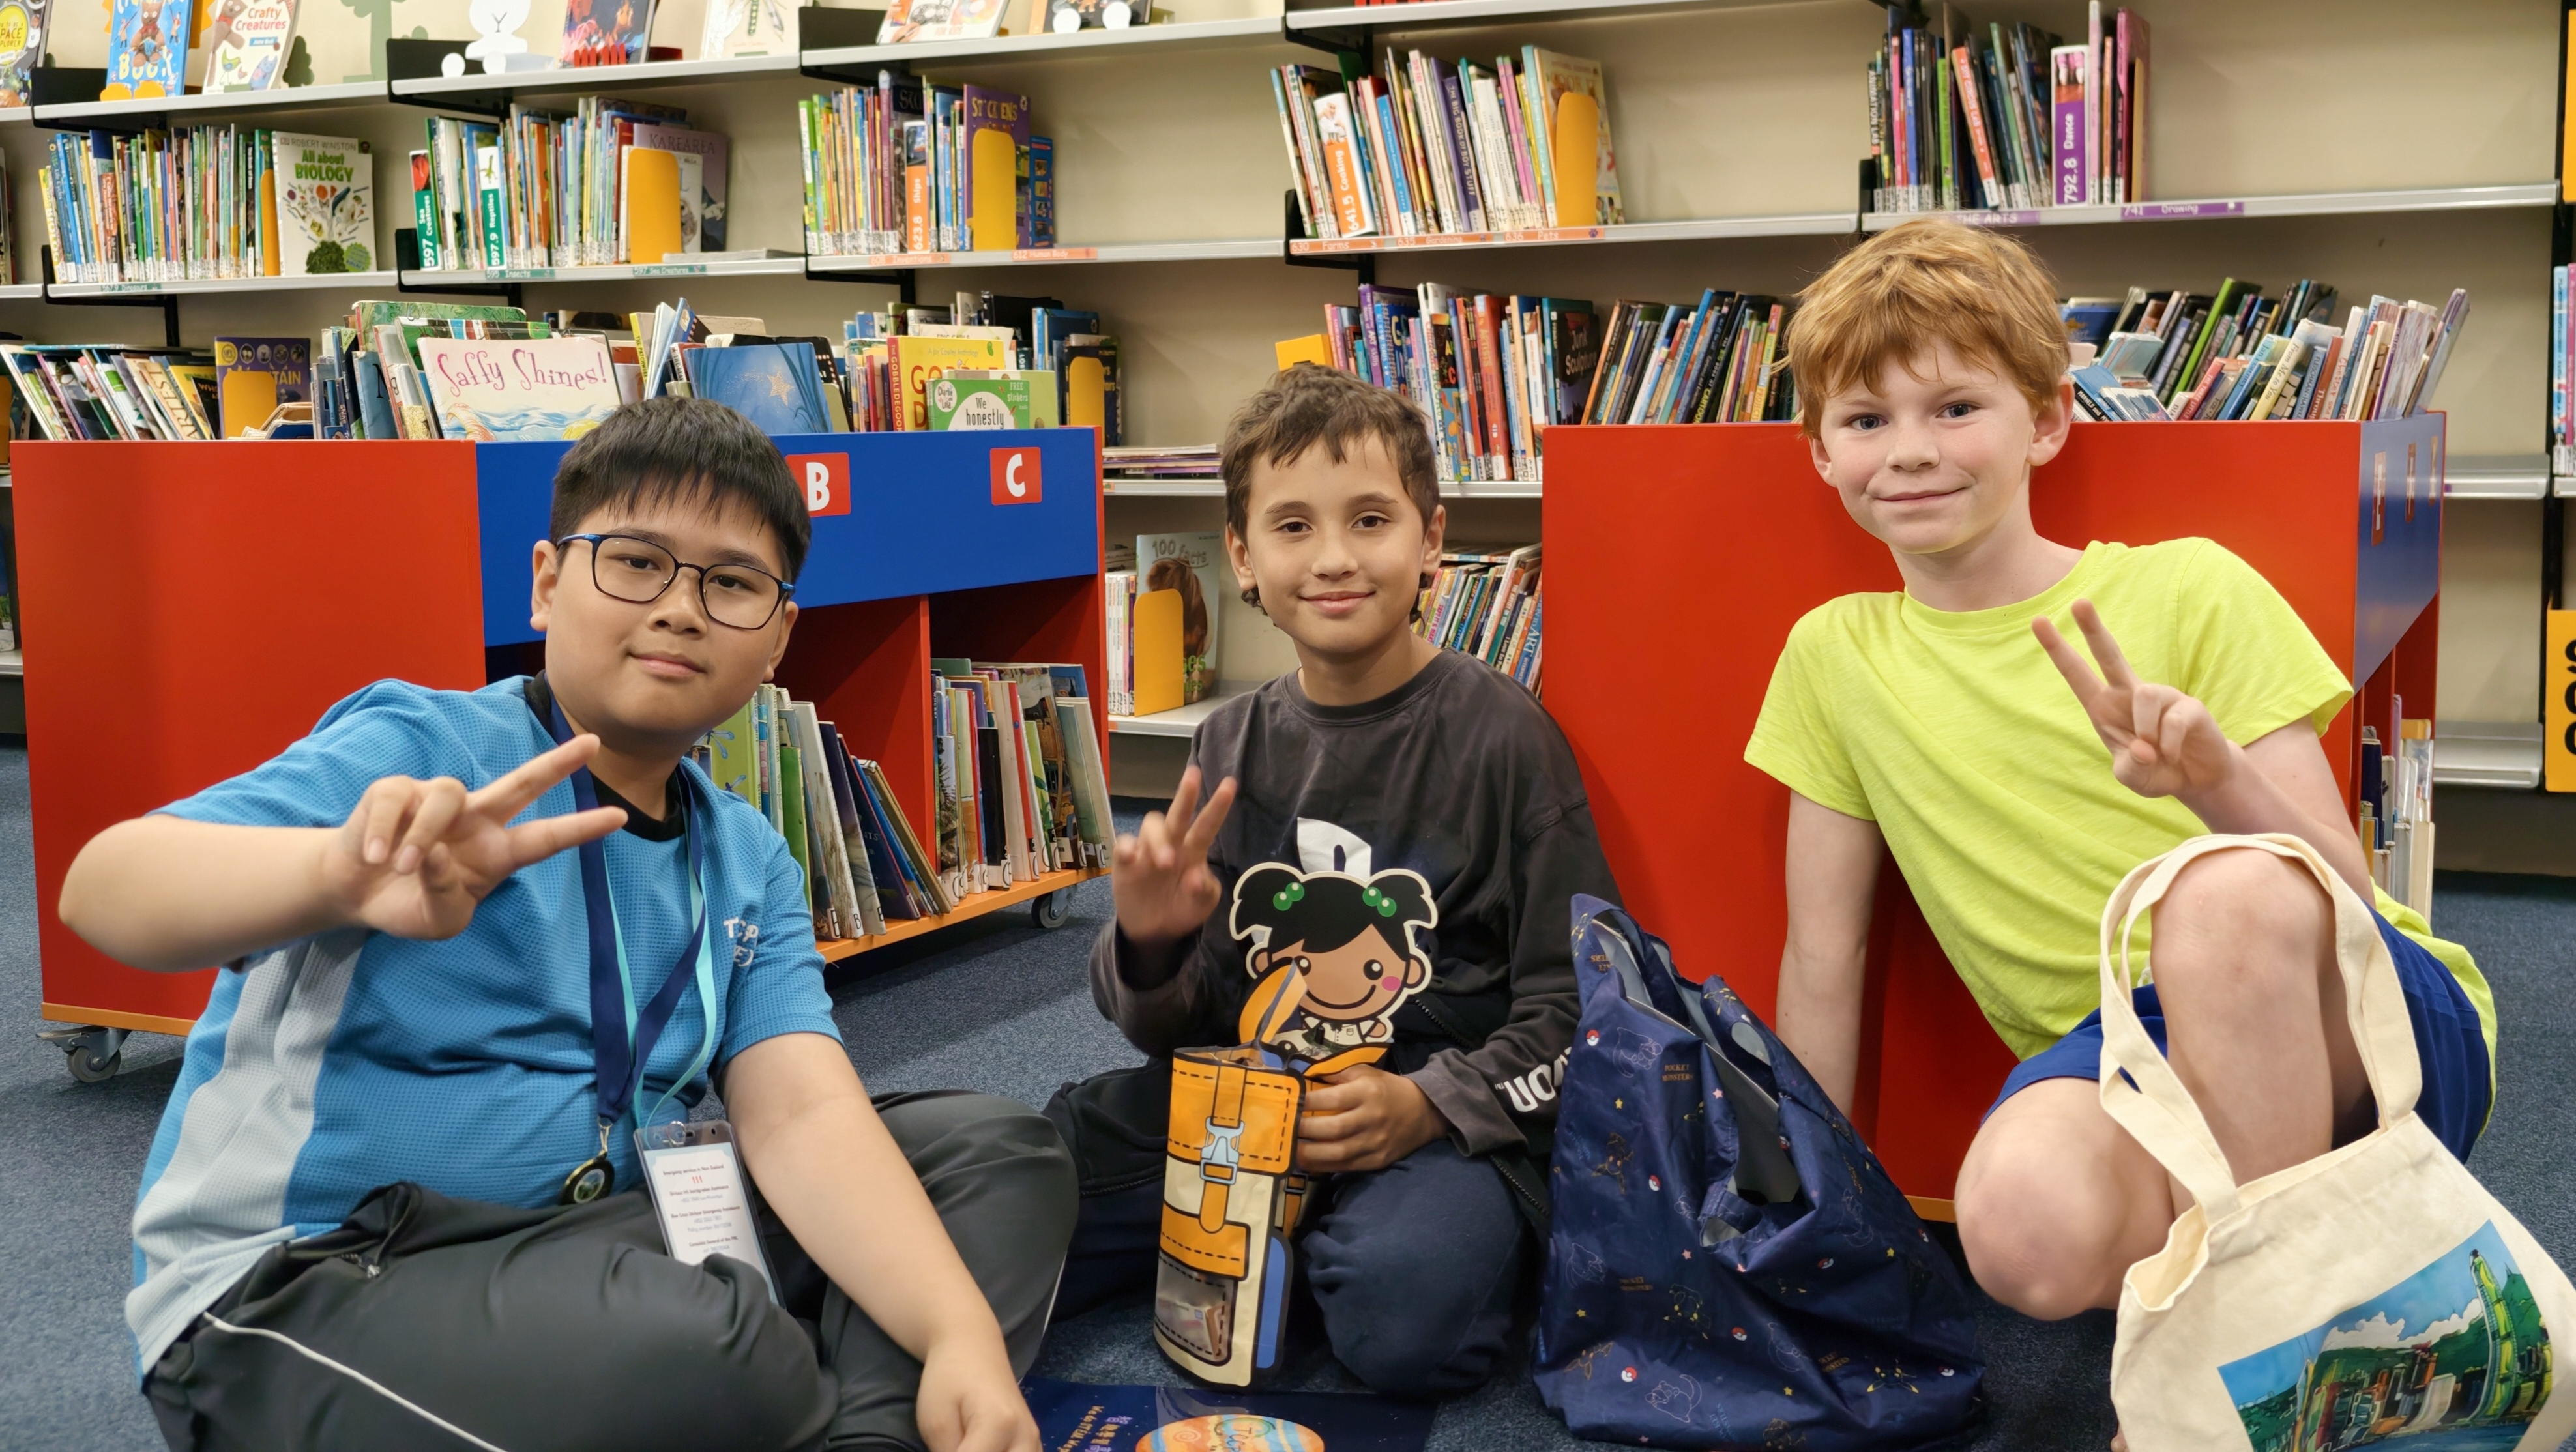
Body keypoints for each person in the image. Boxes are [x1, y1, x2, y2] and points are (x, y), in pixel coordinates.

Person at [63, 396, 1075, 1452]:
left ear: (779, 638)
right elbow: (108, 888)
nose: (680, 609)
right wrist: (338, 877)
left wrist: (957, 1332)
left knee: (996, 1155)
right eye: (636, 562)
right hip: (321, 1276)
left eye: (732, 584)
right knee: (721, 1354)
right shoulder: (426, 747)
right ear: (547, 583)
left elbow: (801, 1116)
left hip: (592, 1242)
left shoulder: (746, 856)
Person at [1749, 220, 2495, 1324]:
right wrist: (1807, 1207)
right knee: (2017, 1226)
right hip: (2130, 1055)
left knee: (2219, 894)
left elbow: (2342, 890)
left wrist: (2213, 782)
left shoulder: (2191, 587)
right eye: (1866, 420)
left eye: (1955, 408)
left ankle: (2258, 1354)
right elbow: (1825, 953)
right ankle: (2297, 1287)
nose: (1908, 451)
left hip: (2356, 1011)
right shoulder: (1833, 656)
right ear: (1820, 452)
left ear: (2048, 420)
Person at [1050, 363, 1622, 1396]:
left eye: (1369, 520)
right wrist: (1149, 942)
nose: (1334, 559)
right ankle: (1278, 1237)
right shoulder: (1230, 740)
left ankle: (1308, 1247)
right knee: (1031, 1177)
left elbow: (1575, 1006)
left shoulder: (1505, 737)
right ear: (1243, 556)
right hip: (1252, 1101)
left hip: (1431, 1120)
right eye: (1292, 527)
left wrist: (1428, 1104)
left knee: (1406, 1320)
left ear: (1431, 540)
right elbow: (1177, 1029)